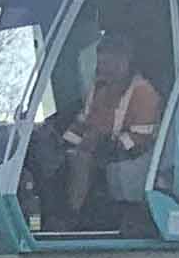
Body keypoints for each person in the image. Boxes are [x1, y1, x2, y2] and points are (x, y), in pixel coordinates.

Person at [32, 29, 162, 229]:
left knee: (81, 161)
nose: (102, 66)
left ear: (124, 61)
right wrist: (62, 143)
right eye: (101, 61)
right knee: (50, 158)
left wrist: (103, 143)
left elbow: (142, 139)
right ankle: (46, 217)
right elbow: (83, 122)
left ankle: (71, 218)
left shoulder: (143, 93)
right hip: (99, 149)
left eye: (108, 62)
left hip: (131, 157)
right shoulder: (99, 88)